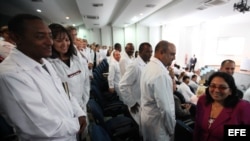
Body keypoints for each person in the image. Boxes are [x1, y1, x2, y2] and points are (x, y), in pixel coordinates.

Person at [0, 14, 87, 140]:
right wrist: (76, 123)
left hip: (69, 132)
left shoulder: (44, 62)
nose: (49, 42)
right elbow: (40, 127)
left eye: (50, 36)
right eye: (40, 36)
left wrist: (79, 113)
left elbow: (65, 92)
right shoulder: (10, 74)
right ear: (16, 37)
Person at [193, 72, 250, 141]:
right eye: (213, 86)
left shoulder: (243, 107)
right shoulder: (203, 100)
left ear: (230, 91)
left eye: (222, 87)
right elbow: (197, 127)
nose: (216, 90)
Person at [47, 23, 90, 113]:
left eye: (67, 40)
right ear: (51, 41)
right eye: (59, 41)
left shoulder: (76, 58)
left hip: (82, 104)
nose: (64, 44)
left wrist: (84, 101)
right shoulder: (49, 63)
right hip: (66, 110)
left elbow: (86, 81)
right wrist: (75, 109)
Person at [140, 40, 176, 141]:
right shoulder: (160, 74)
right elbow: (166, 109)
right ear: (161, 53)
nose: (174, 58)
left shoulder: (149, 66)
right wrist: (171, 129)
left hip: (149, 119)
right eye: (172, 54)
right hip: (158, 125)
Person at [119, 42, 152, 126]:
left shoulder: (146, 64)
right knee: (142, 129)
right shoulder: (135, 65)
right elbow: (122, 85)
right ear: (140, 52)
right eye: (147, 52)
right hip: (137, 104)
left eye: (151, 52)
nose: (150, 54)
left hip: (144, 102)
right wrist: (131, 103)